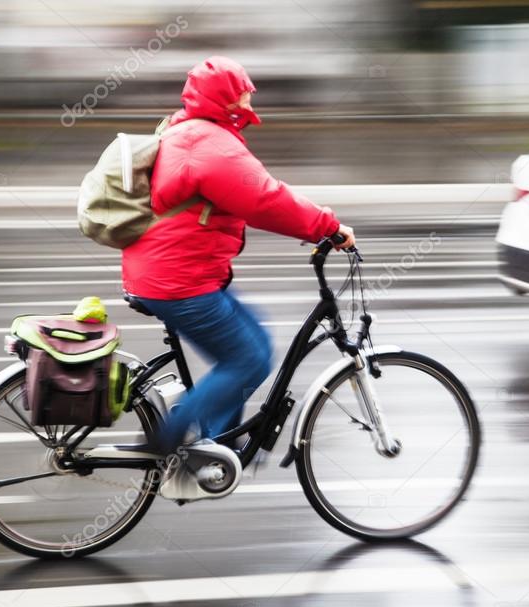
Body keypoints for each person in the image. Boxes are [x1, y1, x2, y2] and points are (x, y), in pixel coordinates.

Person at [123, 56, 355, 454]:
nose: (250, 100)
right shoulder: (209, 144)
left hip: (176, 274)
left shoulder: (190, 133)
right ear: (225, 100)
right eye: (244, 93)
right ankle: (168, 439)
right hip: (177, 281)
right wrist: (329, 227)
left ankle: (216, 447)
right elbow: (266, 200)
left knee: (256, 344)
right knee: (249, 359)